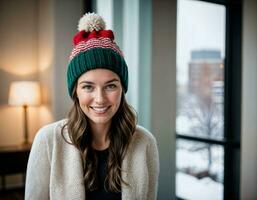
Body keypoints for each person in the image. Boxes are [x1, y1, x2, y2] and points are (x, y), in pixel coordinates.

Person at [25, 13, 159, 200]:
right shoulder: (48, 140)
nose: (100, 99)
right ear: (76, 92)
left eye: (110, 86)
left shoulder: (145, 142)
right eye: (88, 87)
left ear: (122, 88)